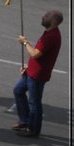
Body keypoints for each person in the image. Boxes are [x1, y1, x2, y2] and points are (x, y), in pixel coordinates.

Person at [13, 10, 63, 138]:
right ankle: (24, 120)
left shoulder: (51, 36)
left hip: (38, 75)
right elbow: (40, 54)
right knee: (18, 90)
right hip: (32, 71)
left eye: (46, 16)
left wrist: (25, 42)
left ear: (54, 21)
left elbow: (35, 53)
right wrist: (28, 66)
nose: (43, 17)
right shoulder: (49, 33)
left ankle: (33, 130)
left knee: (34, 102)